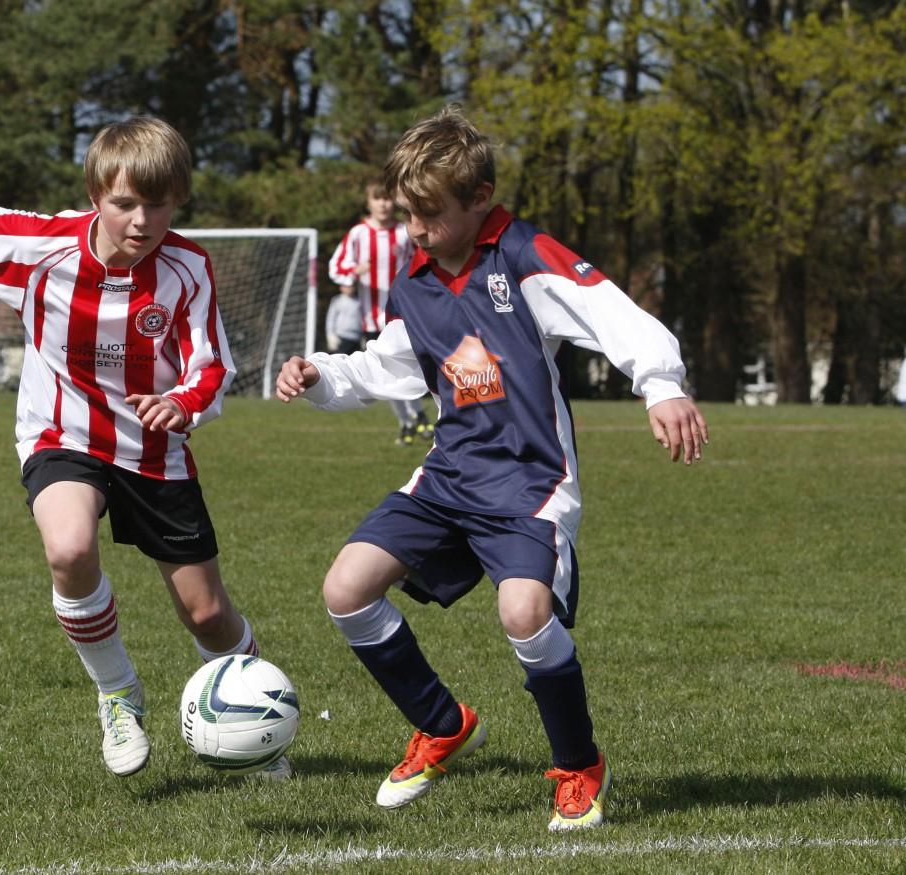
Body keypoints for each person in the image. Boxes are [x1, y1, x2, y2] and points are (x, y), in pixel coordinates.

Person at [277, 105, 708, 830]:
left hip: (530, 483)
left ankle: (578, 764)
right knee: (346, 589)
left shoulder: (524, 254)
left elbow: (612, 312)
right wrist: (320, 375)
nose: (415, 228)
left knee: (522, 611)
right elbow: (389, 367)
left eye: (429, 213)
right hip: (450, 474)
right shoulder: (414, 282)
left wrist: (660, 383)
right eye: (408, 214)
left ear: (480, 199)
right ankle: (442, 724)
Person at [0, 115, 290, 781]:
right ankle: (117, 694)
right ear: (95, 195)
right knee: (70, 548)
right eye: (124, 203)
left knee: (208, 612)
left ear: (179, 199)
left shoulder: (188, 268)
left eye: (157, 204)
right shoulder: (41, 249)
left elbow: (211, 365)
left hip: (154, 450)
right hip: (61, 435)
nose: (140, 220)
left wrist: (183, 402)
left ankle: (256, 732)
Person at [329, 180, 433, 446]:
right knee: (389, 371)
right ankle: (409, 422)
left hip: (405, 312)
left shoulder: (403, 232)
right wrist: (353, 273)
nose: (384, 204)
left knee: (410, 366)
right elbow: (337, 266)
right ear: (369, 203)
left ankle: (416, 418)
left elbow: (424, 258)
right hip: (372, 315)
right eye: (378, 199)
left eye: (388, 199)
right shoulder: (358, 234)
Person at [324, 284, 364, 354]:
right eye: (347, 286)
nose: (349, 288)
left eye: (351, 286)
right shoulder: (337, 300)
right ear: (341, 287)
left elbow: (362, 320)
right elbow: (331, 319)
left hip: (356, 339)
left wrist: (363, 336)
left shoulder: (359, 301)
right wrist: (330, 335)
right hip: (341, 338)